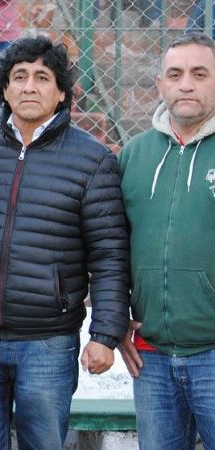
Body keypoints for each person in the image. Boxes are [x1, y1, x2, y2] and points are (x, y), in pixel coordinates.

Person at [0, 36, 130, 450]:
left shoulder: (92, 160)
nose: (29, 86)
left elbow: (109, 254)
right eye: (19, 77)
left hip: (48, 342)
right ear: (4, 88)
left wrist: (105, 333)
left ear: (62, 91)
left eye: (42, 77)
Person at [117, 32, 215, 450]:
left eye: (199, 73)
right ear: (159, 85)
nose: (186, 84)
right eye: (174, 74)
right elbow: (111, 246)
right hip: (150, 355)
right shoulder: (134, 154)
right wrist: (113, 320)